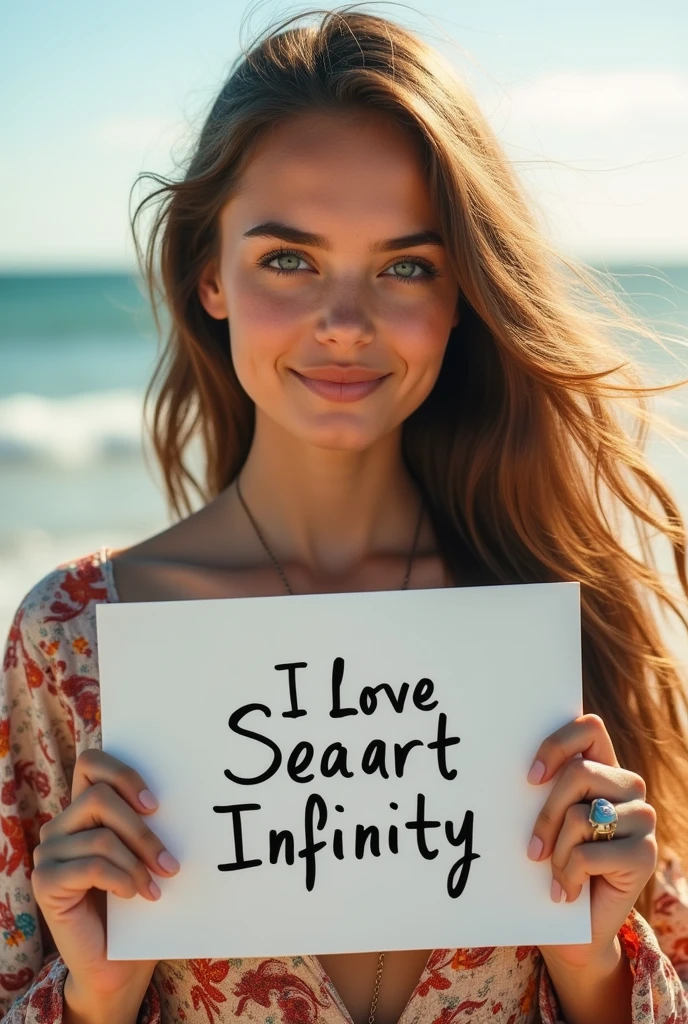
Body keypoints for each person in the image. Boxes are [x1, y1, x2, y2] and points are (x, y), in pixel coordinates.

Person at [3, 6, 688, 1024]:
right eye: (288, 257)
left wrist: (594, 968)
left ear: (461, 294)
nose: (344, 323)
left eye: (406, 265)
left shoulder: (550, 618)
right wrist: (97, 997)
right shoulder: (74, 640)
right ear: (209, 275)